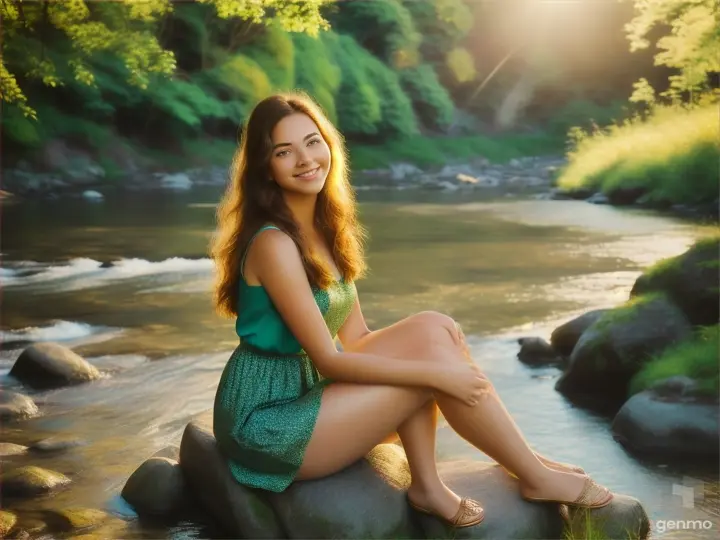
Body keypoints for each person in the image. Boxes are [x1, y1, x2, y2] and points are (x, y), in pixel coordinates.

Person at [209, 92, 613, 528]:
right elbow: (331, 359)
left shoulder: (324, 228)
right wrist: (438, 375)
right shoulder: (274, 243)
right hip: (268, 420)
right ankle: (517, 475)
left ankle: (505, 465)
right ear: (265, 167)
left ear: (329, 144)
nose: (305, 159)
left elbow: (358, 338)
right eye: (284, 151)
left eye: (312, 142)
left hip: (309, 390)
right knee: (425, 372)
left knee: (432, 328)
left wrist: (432, 361)